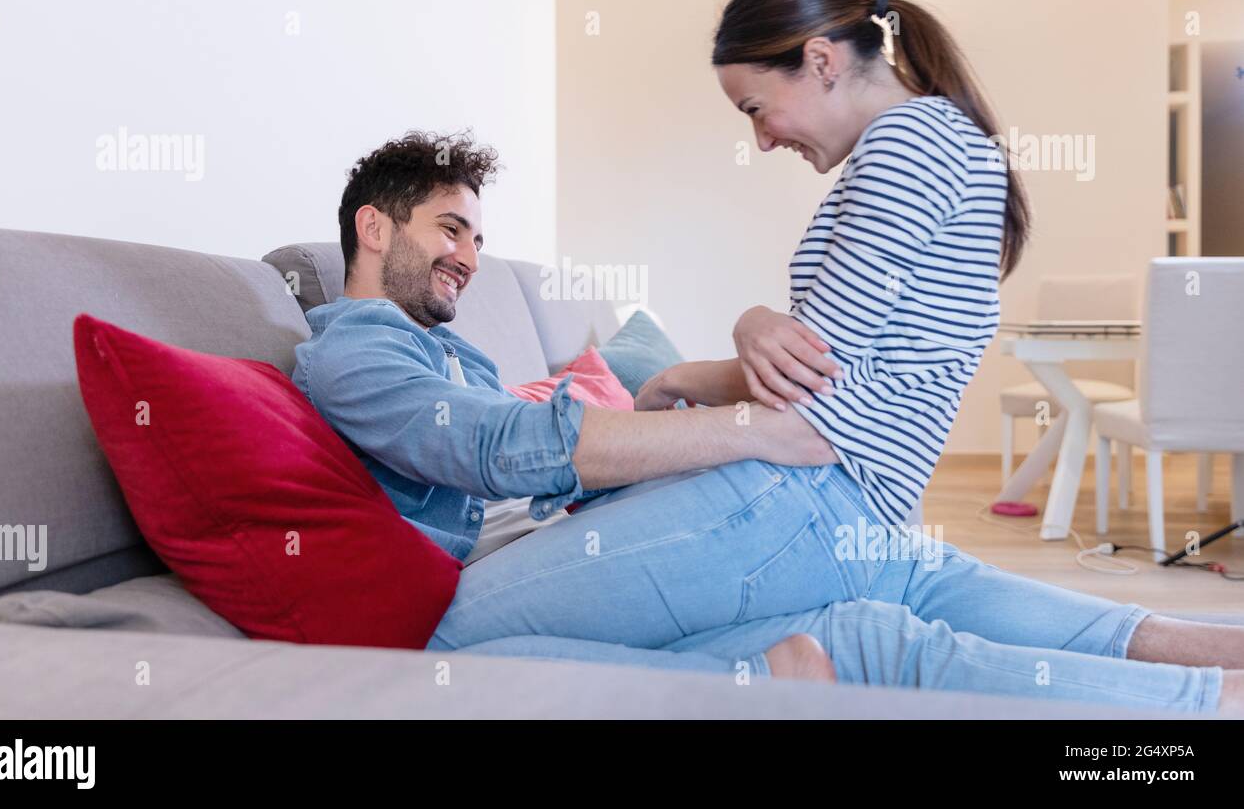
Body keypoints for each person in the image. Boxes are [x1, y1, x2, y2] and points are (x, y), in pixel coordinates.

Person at [291, 122, 1239, 712]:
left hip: (567, 548)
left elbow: (540, 442)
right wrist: (743, 429)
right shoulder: (356, 345)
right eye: (449, 230)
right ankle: (1201, 695)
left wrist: (690, 393)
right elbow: (501, 447)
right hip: (490, 585)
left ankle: (1210, 671)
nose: (470, 256)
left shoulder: (453, 349)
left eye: (478, 236)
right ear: (374, 228)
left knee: (899, 580)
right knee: (873, 619)